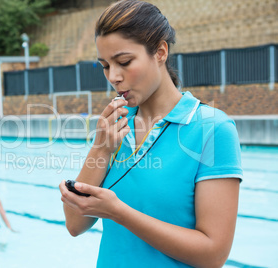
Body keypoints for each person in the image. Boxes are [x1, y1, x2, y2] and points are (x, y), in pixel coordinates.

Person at [59, 1, 243, 267]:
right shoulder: (115, 127)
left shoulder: (212, 129)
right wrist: (100, 148)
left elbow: (213, 255)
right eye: (105, 65)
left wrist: (120, 213)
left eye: (124, 62)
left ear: (160, 52)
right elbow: (75, 224)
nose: (114, 76)